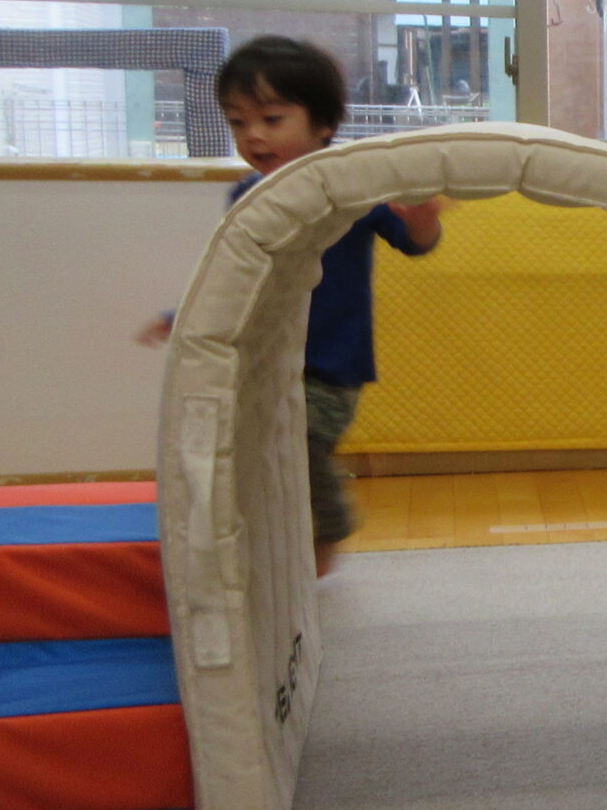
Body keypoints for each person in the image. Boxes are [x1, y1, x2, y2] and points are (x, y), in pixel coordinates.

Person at [137, 36, 442, 576]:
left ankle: (327, 531)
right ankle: (274, 540)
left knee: (302, 442)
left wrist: (421, 219)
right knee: (254, 449)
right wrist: (183, 316)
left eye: (272, 119)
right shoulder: (247, 196)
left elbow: (415, 244)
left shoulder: (352, 187)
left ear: (323, 125)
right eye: (238, 123)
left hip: (330, 364)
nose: (253, 135)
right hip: (266, 357)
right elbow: (229, 276)